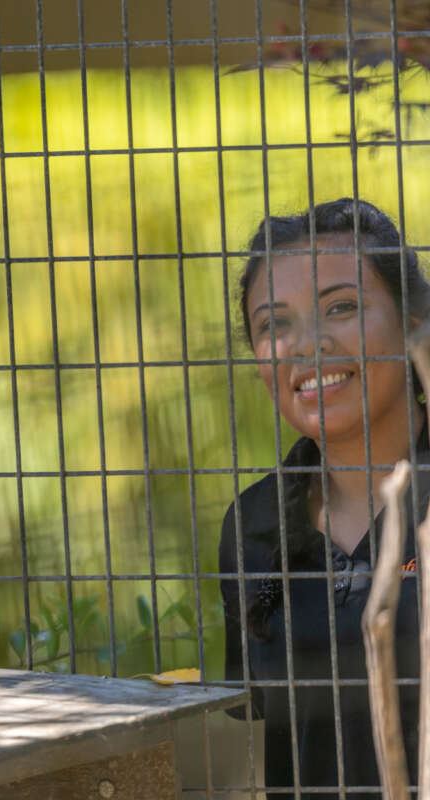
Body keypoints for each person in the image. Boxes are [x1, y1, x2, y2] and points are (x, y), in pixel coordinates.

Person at [221, 197, 428, 799]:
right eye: (274, 324)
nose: (305, 345)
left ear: (413, 321)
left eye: (341, 307)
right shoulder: (252, 525)